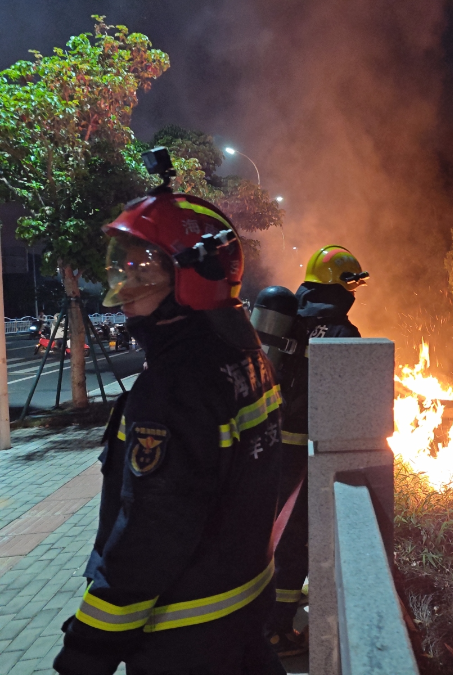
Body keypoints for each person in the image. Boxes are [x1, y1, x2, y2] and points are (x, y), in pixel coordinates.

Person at [53, 185, 287, 675]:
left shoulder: (175, 386)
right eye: (124, 265)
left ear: (192, 277)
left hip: (183, 631)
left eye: (144, 269)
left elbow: (151, 534)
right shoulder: (241, 353)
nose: (123, 285)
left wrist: (90, 645)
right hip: (241, 604)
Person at [266, 245, 367, 655]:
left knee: (272, 529)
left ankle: (264, 613)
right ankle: (276, 632)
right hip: (307, 450)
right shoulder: (343, 333)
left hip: (269, 442)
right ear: (335, 285)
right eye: (352, 281)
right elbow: (353, 401)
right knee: (295, 538)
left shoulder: (288, 322)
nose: (356, 290)